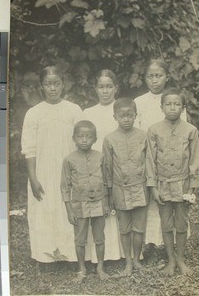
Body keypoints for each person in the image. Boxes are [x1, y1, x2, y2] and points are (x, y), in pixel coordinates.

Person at [21, 66, 82, 269]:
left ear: (63, 85)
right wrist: (33, 177)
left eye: (56, 84)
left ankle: (71, 254)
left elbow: (81, 143)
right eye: (48, 84)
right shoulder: (33, 113)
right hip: (43, 172)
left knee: (68, 208)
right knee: (44, 209)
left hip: (67, 168)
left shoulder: (74, 110)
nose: (53, 88)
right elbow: (29, 149)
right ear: (41, 87)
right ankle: (46, 256)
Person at [146, 88, 199, 276]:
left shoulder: (191, 131)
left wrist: (192, 188)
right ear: (161, 107)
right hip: (162, 184)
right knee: (166, 223)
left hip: (183, 185)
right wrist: (153, 187)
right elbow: (150, 160)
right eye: (168, 104)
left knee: (181, 224)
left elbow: (195, 159)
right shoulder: (154, 130)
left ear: (183, 107)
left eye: (177, 104)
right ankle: (170, 260)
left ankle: (180, 259)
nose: (172, 108)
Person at [135, 58, 187, 246]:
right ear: (145, 78)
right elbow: (137, 132)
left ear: (167, 77)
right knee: (149, 202)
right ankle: (149, 244)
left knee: (169, 200)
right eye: (150, 76)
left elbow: (183, 132)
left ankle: (168, 244)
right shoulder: (139, 102)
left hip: (170, 160)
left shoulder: (173, 100)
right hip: (146, 157)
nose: (154, 80)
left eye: (159, 76)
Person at [103, 98, 148, 276]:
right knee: (125, 227)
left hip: (140, 188)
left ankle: (137, 259)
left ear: (136, 115)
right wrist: (109, 193)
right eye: (122, 116)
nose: (126, 119)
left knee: (139, 226)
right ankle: (128, 262)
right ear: (115, 117)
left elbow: (149, 163)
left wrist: (150, 185)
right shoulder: (109, 139)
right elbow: (107, 168)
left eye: (130, 115)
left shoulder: (143, 136)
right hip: (119, 189)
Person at [61, 120, 110, 283]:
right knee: (80, 239)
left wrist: (107, 202)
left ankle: (100, 267)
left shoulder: (100, 157)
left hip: (99, 202)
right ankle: (82, 269)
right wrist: (69, 210)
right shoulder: (69, 160)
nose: (84, 140)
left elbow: (106, 181)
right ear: (73, 138)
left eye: (88, 136)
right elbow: (65, 187)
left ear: (95, 139)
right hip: (79, 205)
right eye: (80, 136)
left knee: (99, 237)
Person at [81, 69, 122, 262]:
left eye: (109, 87)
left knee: (117, 204)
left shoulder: (122, 110)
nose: (105, 91)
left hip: (118, 164)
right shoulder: (88, 113)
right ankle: (99, 255)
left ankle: (121, 252)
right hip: (96, 167)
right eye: (101, 87)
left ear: (116, 88)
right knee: (98, 206)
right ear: (95, 89)